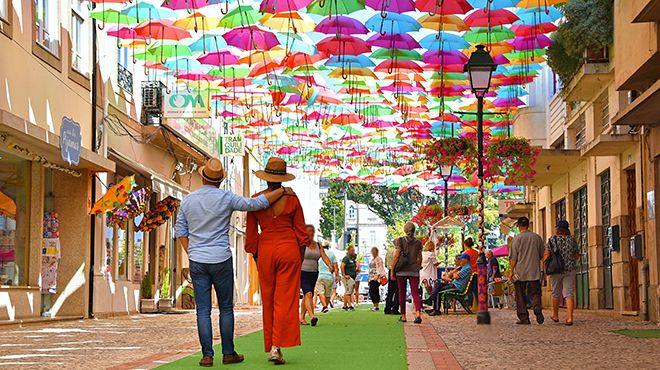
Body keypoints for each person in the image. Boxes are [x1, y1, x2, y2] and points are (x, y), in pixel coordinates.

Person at [175, 157, 288, 367]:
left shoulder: (188, 200)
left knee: (202, 310)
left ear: (203, 177)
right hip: (221, 258)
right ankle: (228, 352)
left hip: (197, 260)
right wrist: (280, 191)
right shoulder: (226, 198)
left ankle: (207, 355)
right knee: (226, 308)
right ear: (219, 180)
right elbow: (255, 204)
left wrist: (191, 251)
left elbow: (180, 230)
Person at [246, 157, 310, 365]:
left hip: (266, 249)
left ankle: (272, 345)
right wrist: (298, 259)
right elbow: (302, 233)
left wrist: (257, 256)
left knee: (269, 299)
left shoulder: (256, 200)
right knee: (286, 300)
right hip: (289, 249)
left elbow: (251, 236)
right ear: (282, 179)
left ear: (266, 179)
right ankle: (277, 346)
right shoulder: (292, 199)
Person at [508, 216, 545, 325]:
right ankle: (537, 305)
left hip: (520, 272)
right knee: (535, 292)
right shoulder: (537, 238)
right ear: (528, 225)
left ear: (519, 226)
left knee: (520, 295)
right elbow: (542, 255)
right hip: (534, 271)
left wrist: (511, 271)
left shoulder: (516, 239)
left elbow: (514, 257)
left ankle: (524, 317)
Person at [544, 220, 580, 326]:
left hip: (555, 270)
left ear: (558, 229)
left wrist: (544, 267)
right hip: (570, 269)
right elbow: (577, 255)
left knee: (555, 293)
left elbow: (546, 255)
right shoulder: (572, 240)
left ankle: (555, 315)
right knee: (568, 293)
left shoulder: (552, 240)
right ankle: (569, 318)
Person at [300, 225, 333, 326]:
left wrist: (329, 265)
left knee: (308, 295)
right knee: (308, 293)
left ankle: (301, 317)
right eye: (309, 231)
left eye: (312, 231)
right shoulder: (301, 244)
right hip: (302, 271)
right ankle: (312, 316)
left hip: (314, 272)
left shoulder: (318, 245)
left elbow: (324, 256)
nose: (311, 233)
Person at [391, 222, 423, 324]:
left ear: (405, 230)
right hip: (414, 270)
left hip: (401, 271)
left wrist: (392, 270)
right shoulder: (418, 243)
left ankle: (404, 316)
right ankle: (418, 314)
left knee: (402, 292)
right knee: (415, 292)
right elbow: (420, 257)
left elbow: (396, 256)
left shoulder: (400, 241)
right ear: (414, 231)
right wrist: (418, 265)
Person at [314, 241, 339, 313]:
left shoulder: (318, 253)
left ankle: (324, 306)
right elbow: (336, 266)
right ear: (328, 246)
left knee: (320, 292)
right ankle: (325, 306)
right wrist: (337, 276)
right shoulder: (332, 254)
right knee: (327, 294)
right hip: (329, 276)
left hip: (319, 275)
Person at [367, 247, 386, 311]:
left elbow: (380, 268)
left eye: (374, 251)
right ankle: (375, 305)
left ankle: (376, 305)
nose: (373, 252)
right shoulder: (372, 259)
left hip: (376, 278)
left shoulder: (379, 259)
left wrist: (377, 275)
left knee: (374, 291)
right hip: (371, 277)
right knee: (372, 291)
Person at [383, 246, 400, 315]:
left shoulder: (389, 251)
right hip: (398, 271)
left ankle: (387, 308)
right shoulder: (399, 251)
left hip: (390, 270)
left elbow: (386, 263)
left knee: (390, 291)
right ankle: (395, 309)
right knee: (398, 291)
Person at [341, 245, 358, 311]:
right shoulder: (346, 258)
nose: (353, 252)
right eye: (352, 250)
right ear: (348, 251)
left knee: (349, 291)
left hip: (353, 277)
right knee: (348, 292)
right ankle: (350, 305)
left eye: (353, 250)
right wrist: (344, 275)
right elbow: (342, 266)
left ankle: (345, 305)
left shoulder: (353, 259)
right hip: (348, 277)